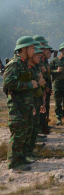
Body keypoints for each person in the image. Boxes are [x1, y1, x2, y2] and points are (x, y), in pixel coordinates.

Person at [3, 36, 43, 171]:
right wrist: (29, 85)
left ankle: (22, 156)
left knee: (25, 132)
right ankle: (14, 163)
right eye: (32, 48)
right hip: (18, 105)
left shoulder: (23, 63)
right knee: (18, 133)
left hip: (26, 104)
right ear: (24, 49)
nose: (34, 50)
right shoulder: (15, 64)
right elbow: (9, 83)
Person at [24, 46, 47, 158]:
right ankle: (23, 156)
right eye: (37, 54)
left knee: (34, 126)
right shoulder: (27, 68)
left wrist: (42, 100)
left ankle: (29, 152)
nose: (39, 56)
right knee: (29, 129)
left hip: (36, 101)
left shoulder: (34, 68)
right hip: (29, 102)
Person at [39, 43, 53, 133]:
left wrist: (48, 87)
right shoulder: (39, 61)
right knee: (41, 108)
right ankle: (41, 127)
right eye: (47, 50)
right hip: (40, 89)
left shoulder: (45, 61)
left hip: (45, 87)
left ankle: (44, 125)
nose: (49, 52)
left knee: (45, 107)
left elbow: (47, 77)